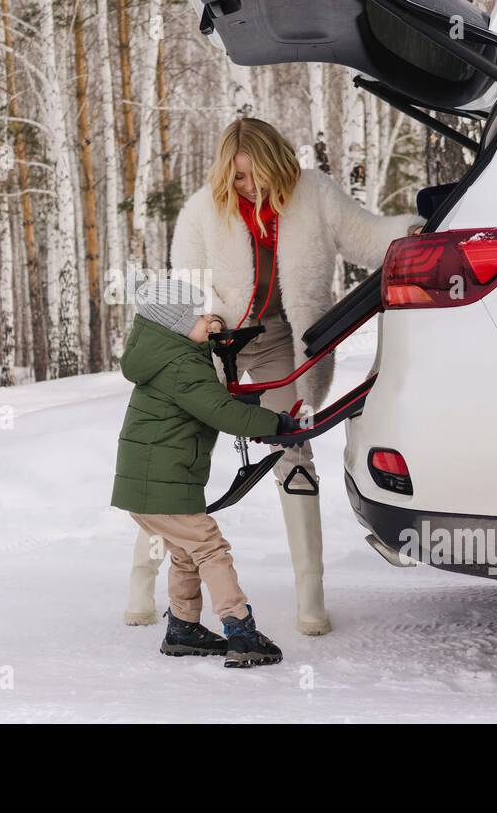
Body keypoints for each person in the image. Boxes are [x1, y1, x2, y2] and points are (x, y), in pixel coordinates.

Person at [123, 118, 424, 635]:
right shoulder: (203, 209)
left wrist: (408, 231)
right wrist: (210, 323)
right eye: (239, 178)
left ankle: (311, 598)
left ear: (280, 163)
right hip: (215, 339)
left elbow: (368, 237)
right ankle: (139, 586)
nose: (251, 187)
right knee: (175, 463)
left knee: (292, 446)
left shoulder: (313, 194)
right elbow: (187, 288)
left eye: (258, 175)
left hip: (281, 340)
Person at [111, 274, 301, 668]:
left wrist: (211, 333)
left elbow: (205, 388)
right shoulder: (181, 366)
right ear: (177, 325)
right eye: (198, 315)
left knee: (186, 552)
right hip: (160, 483)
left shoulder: (164, 354)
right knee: (209, 546)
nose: (207, 319)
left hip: (153, 482)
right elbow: (221, 411)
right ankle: (240, 629)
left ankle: (183, 628)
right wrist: (274, 423)